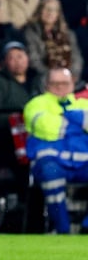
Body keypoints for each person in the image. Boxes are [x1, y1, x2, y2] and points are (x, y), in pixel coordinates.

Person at [24, 68, 88, 234]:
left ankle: (86, 227)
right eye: (55, 83)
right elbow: (47, 128)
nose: (60, 87)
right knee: (50, 172)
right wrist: (79, 122)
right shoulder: (36, 104)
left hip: (83, 162)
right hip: (52, 162)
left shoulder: (83, 102)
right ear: (47, 85)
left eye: (65, 83)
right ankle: (62, 229)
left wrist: (64, 120)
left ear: (73, 84)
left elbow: (58, 127)